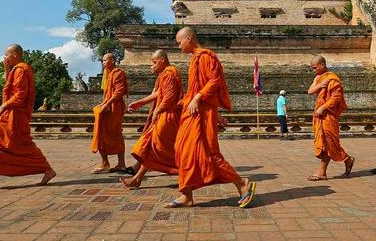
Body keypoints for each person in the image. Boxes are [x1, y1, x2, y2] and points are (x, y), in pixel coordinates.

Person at [167, 27, 255, 208]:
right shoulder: (194, 59)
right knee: (182, 149)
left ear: (189, 38)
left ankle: (241, 183)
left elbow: (214, 81)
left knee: (209, 154)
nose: (178, 47)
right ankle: (186, 195)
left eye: (179, 42)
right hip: (195, 113)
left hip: (200, 114)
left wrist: (198, 99)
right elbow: (196, 89)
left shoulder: (206, 56)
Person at [0, 44, 56, 191]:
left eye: (6, 55)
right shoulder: (16, 70)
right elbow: (10, 86)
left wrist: (3, 106)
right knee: (14, 144)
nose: (4, 57)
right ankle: (47, 170)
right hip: (13, 114)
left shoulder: (21, 69)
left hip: (14, 114)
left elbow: (20, 94)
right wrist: (6, 69)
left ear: (15, 55)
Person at [120, 49, 183, 188]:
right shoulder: (165, 74)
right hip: (163, 115)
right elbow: (160, 93)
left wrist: (158, 110)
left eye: (154, 62)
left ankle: (192, 172)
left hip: (168, 116)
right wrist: (140, 103)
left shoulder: (170, 73)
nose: (152, 66)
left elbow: (170, 96)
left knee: (155, 147)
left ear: (162, 60)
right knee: (152, 147)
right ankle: (137, 177)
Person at [307, 55, 354, 181]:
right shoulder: (319, 78)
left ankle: (324, 171)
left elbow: (336, 98)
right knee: (323, 142)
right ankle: (346, 160)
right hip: (320, 115)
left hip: (328, 115)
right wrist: (320, 85)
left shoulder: (333, 79)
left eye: (315, 68)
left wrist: (324, 108)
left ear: (322, 65)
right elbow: (310, 91)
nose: (314, 70)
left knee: (329, 142)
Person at [91, 53, 128, 173]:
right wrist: (104, 103)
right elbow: (107, 93)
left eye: (105, 60)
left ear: (112, 60)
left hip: (115, 108)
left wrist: (107, 104)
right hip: (107, 106)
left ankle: (121, 163)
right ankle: (104, 162)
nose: (103, 63)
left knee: (116, 133)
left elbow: (119, 92)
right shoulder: (108, 74)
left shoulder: (118, 73)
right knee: (100, 133)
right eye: (102, 61)